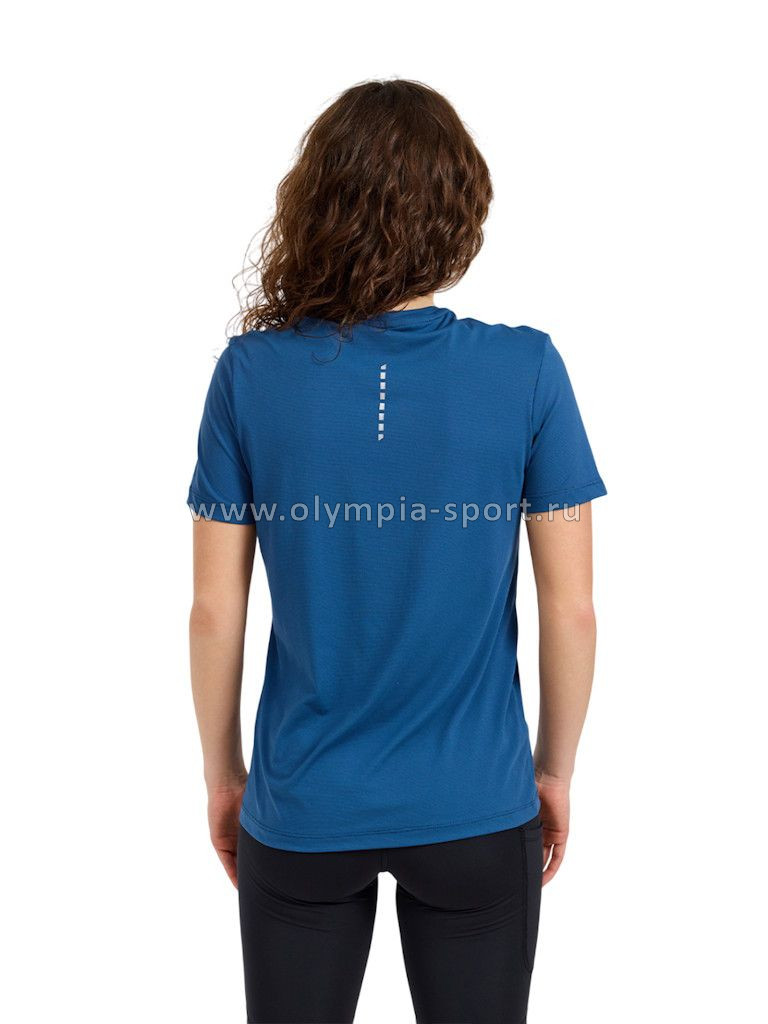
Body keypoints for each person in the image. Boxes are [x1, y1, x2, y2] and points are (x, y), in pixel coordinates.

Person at [187, 78, 606, 1024]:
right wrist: (552, 771)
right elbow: (572, 608)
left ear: (316, 205)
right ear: (461, 210)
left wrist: (225, 778)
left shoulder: (249, 375)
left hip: (304, 804)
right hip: (477, 803)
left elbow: (215, 609)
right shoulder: (528, 370)